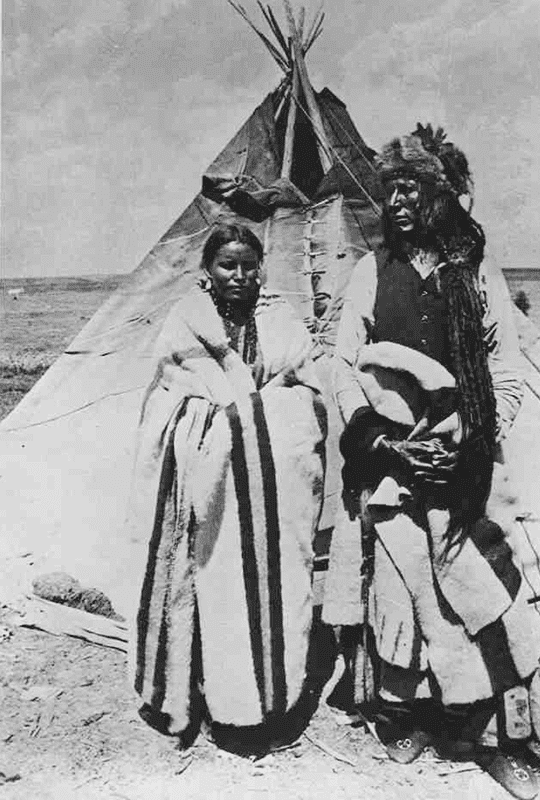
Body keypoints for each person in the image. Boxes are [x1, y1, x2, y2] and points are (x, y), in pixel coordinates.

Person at [322, 126, 540, 799]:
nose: (396, 199)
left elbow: (505, 367)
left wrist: (470, 438)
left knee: (477, 585)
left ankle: (481, 727)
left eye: (411, 187)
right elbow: (339, 361)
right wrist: (375, 437)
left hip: (463, 463)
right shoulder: (372, 271)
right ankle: (410, 717)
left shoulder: (477, 272)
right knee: (400, 592)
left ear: (443, 195)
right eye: (390, 187)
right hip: (392, 463)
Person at [130, 222, 326, 752]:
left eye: (247, 265)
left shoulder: (279, 318)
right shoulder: (186, 323)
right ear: (207, 270)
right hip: (211, 490)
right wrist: (229, 423)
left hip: (271, 490)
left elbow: (306, 391)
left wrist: (256, 418)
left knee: (276, 587)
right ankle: (209, 701)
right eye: (227, 265)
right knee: (211, 591)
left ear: (259, 266)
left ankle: (268, 707)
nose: (239, 275)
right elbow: (171, 399)